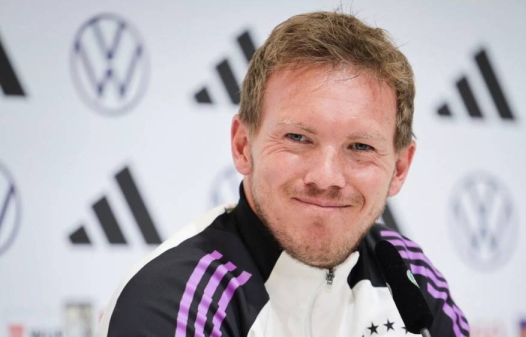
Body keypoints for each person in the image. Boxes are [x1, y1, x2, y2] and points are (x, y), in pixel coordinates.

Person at [97, 11, 469, 337]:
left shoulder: (409, 273)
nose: (326, 177)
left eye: (360, 147)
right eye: (298, 138)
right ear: (243, 146)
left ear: (399, 168)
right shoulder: (174, 297)